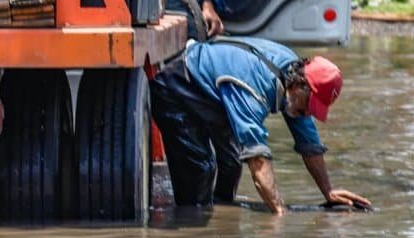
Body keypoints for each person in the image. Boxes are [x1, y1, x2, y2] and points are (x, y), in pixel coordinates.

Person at [150, 35, 370, 215]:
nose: (308, 113)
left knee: (231, 163)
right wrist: (279, 213)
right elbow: (257, 159)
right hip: (177, 88)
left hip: (217, 97)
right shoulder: (255, 88)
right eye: (310, 106)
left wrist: (328, 191)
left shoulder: (293, 77)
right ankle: (193, 229)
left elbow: (309, 144)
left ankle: (221, 215)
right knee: (201, 169)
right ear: (301, 86)